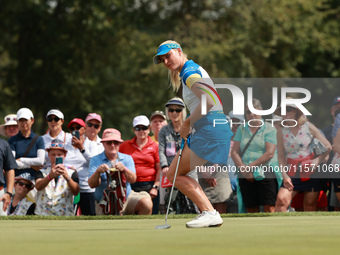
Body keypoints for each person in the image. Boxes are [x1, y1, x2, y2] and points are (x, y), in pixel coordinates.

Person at [153, 40, 233, 227]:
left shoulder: (189, 72)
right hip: (209, 128)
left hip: (209, 128)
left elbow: (210, 100)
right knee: (174, 173)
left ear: (179, 51)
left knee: (174, 174)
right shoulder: (189, 70)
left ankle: (210, 212)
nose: (166, 61)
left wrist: (187, 123)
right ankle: (209, 212)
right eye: (162, 59)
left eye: (168, 55)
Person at [274, 101, 332, 212]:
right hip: (291, 171)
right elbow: (281, 156)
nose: (285, 112)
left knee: (309, 206)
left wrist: (316, 161)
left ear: (296, 112)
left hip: (310, 171)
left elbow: (328, 146)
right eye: (283, 110)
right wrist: (285, 176)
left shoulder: (308, 127)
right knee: (281, 201)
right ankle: (279, 229)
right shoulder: (281, 131)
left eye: (288, 109)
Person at [231, 99, 281, 213]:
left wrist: (250, 167)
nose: (251, 114)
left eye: (254, 111)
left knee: (269, 207)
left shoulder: (269, 128)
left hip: (266, 171)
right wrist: (244, 169)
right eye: (248, 112)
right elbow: (234, 152)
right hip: (245, 173)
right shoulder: (242, 129)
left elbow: (269, 153)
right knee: (250, 208)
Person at [88, 128, 153, 215]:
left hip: (127, 199)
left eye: (116, 142)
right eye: (109, 142)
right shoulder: (95, 160)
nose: (113, 145)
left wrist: (125, 170)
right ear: (103, 144)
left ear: (120, 144)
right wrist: (98, 172)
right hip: (104, 201)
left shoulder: (127, 158)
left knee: (146, 203)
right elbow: (92, 184)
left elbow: (133, 179)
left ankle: (139, 227)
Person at [158, 97, 199, 214]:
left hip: (188, 169)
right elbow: (161, 150)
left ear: (183, 111)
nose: (174, 113)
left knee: (192, 199)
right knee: (165, 203)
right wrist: (164, 166)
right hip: (169, 170)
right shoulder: (163, 131)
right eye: (171, 110)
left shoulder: (191, 128)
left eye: (178, 110)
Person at [119, 115, 161, 214]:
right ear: (134, 130)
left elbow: (159, 169)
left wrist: (155, 187)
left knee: (151, 216)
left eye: (144, 128)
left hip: (149, 186)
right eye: (138, 128)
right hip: (130, 185)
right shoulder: (125, 146)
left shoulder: (155, 146)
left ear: (149, 129)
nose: (141, 131)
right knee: (129, 215)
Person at [65, 117, 101, 215]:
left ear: (84, 129)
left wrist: (82, 148)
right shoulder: (66, 145)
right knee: (69, 217)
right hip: (69, 187)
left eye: (78, 127)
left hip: (86, 187)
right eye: (72, 129)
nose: (75, 130)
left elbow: (94, 162)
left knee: (89, 218)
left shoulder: (91, 144)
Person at [35, 139, 80, 216]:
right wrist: (49, 177)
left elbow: (76, 192)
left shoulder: (71, 172)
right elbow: (38, 187)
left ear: (64, 156)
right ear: (48, 155)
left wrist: (67, 177)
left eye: (59, 155)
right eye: (53, 154)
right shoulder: (42, 171)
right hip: (43, 214)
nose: (56, 157)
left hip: (65, 214)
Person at [8, 108, 45, 177]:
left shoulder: (39, 139)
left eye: (26, 120)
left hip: (35, 179)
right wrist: (31, 166)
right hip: (17, 180)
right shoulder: (12, 140)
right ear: (17, 122)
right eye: (21, 120)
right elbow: (11, 162)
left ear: (32, 120)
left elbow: (40, 161)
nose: (23, 123)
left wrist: (21, 159)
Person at [322, 96, 340, 210]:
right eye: (337, 109)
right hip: (331, 171)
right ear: (332, 111)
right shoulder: (325, 131)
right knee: (334, 205)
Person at [0, 138, 16, 216]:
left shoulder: (3, 144)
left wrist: (9, 193)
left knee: (2, 225)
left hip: (0, 192)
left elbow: (9, 169)